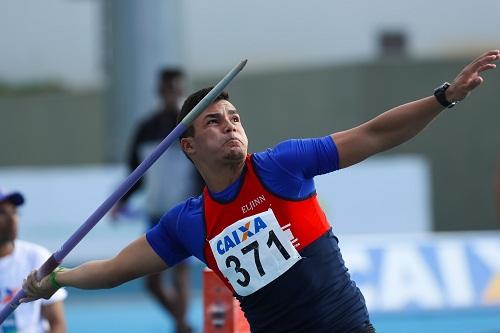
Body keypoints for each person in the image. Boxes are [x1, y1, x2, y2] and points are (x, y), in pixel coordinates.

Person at [22, 50, 499, 333]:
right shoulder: (189, 223)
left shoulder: (282, 166)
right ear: (187, 145)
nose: (231, 128)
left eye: (235, 119)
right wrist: (59, 279)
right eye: (214, 122)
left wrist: (444, 97)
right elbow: (112, 270)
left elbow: (373, 135)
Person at [111, 68, 203, 333]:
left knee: (181, 274)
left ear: (183, 90)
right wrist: (121, 200)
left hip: (185, 209)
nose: (173, 95)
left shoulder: (190, 127)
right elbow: (135, 174)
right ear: (160, 92)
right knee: (151, 282)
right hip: (155, 213)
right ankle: (183, 324)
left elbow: (204, 169)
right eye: (169, 89)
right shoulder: (146, 128)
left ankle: (179, 327)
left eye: (178, 89)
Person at [0, 188, 67, 333]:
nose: (12, 219)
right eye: (2, 212)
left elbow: (56, 323)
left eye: (14, 211)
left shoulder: (36, 257)